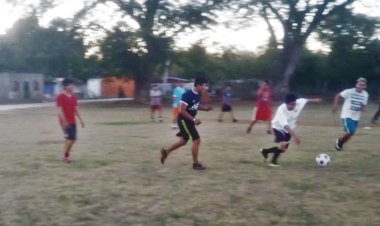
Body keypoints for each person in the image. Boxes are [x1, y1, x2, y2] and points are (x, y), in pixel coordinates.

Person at [160, 77, 212, 170]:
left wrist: (205, 109)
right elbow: (182, 110)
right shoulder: (187, 94)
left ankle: (166, 152)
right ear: (199, 85)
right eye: (204, 86)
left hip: (189, 120)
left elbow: (194, 105)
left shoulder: (199, 93)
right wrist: (194, 120)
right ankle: (195, 164)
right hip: (184, 120)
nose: (205, 88)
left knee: (183, 141)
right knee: (196, 140)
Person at [260, 94, 322, 166]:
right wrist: (295, 136)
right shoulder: (281, 109)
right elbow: (285, 125)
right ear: (286, 103)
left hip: (290, 128)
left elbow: (305, 100)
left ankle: (265, 151)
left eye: (294, 104)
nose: (293, 106)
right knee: (282, 144)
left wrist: (316, 100)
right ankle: (273, 162)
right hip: (278, 127)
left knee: (283, 149)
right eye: (291, 105)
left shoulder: (299, 103)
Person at [332, 77, 369, 151]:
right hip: (347, 115)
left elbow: (363, 105)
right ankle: (339, 141)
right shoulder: (349, 91)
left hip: (356, 117)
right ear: (356, 84)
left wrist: (362, 108)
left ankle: (339, 145)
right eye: (359, 84)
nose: (361, 86)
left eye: (363, 85)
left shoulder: (365, 94)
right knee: (351, 131)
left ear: (365, 86)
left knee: (351, 133)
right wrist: (335, 106)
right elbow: (338, 96)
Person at [56, 78, 85, 163]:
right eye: (70, 85)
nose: (72, 86)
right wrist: (64, 122)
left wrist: (81, 120)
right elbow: (60, 110)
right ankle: (66, 156)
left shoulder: (73, 96)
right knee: (71, 138)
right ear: (65, 86)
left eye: (72, 85)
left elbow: (76, 109)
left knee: (71, 139)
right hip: (64, 121)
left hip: (72, 120)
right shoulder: (60, 96)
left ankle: (65, 155)